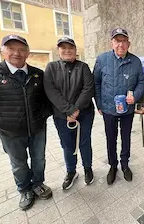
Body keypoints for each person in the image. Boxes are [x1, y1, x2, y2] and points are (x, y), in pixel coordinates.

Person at [0, 35, 53, 210]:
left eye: (21, 49)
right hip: (10, 132)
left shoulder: (38, 74)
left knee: (39, 159)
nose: (16, 53)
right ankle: (25, 189)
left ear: (27, 53)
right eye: (11, 48)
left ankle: (38, 184)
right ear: (3, 51)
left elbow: (47, 99)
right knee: (18, 163)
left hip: (37, 128)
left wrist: (43, 116)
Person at [93, 28, 144, 185]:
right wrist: (99, 104)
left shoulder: (135, 61)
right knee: (111, 138)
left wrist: (135, 96)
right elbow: (96, 82)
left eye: (123, 41)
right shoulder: (102, 60)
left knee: (126, 137)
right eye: (117, 41)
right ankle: (113, 166)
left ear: (128, 43)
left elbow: (141, 82)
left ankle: (125, 164)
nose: (120, 44)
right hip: (108, 108)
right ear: (112, 43)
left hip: (127, 109)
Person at [44, 37, 95, 190]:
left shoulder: (83, 67)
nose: (67, 50)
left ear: (75, 50)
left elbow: (88, 89)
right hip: (61, 115)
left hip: (84, 113)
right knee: (67, 145)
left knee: (84, 142)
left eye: (70, 47)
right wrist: (68, 110)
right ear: (58, 50)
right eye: (63, 47)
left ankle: (88, 168)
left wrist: (76, 109)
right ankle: (71, 172)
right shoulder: (51, 67)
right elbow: (50, 91)